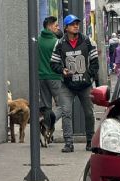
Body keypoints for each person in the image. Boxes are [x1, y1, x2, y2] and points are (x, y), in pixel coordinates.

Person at [50, 14, 99, 152]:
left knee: (89, 113)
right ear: (66, 27)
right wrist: (62, 70)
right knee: (66, 112)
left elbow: (95, 62)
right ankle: (68, 143)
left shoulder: (87, 41)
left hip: (85, 85)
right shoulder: (59, 43)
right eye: (72, 24)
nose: (76, 26)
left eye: (77, 23)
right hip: (67, 85)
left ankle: (90, 141)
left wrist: (89, 76)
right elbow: (53, 63)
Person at [38, 16, 62, 133]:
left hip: (41, 77)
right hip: (55, 77)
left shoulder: (37, 41)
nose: (58, 28)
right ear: (49, 26)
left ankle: (46, 127)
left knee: (46, 106)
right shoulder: (56, 42)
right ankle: (52, 119)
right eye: (56, 26)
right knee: (63, 105)